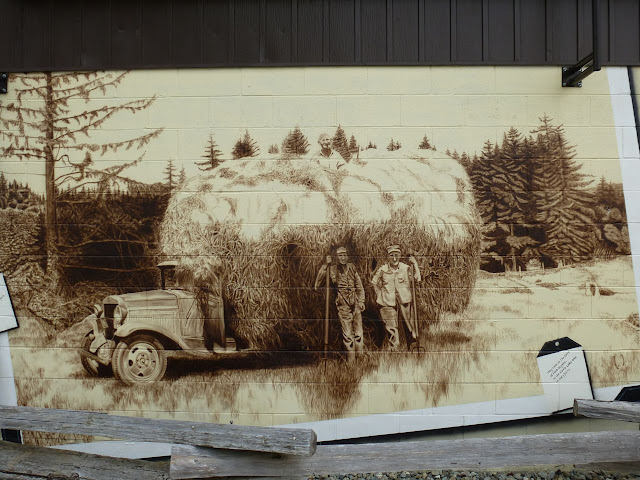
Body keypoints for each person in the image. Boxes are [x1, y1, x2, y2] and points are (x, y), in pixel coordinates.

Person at [314, 246, 365, 361]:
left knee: (359, 334)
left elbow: (359, 286)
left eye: (344, 255)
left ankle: (360, 360)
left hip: (355, 304)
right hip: (343, 305)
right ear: (336, 257)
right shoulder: (332, 269)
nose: (343, 258)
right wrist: (325, 266)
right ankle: (351, 363)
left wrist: (361, 301)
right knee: (348, 335)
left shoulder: (352, 268)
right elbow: (317, 284)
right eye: (340, 255)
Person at [371, 245, 421, 351]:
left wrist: (415, 264)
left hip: (404, 300)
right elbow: (374, 282)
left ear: (400, 255)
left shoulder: (406, 268)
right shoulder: (383, 269)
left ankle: (412, 348)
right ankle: (394, 352)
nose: (394, 258)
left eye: (396, 255)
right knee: (392, 327)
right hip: (387, 302)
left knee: (410, 326)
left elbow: (417, 279)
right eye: (392, 256)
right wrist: (379, 294)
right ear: (387, 257)